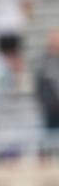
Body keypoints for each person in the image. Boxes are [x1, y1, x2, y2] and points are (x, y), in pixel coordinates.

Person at [34, 28, 59, 158]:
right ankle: (44, 161)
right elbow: (40, 84)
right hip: (51, 107)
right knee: (47, 137)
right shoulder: (44, 60)